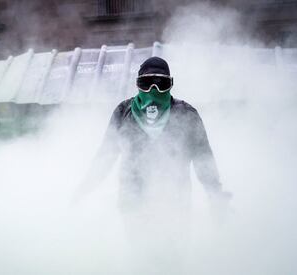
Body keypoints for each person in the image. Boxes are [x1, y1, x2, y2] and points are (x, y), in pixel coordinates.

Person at [75, 57, 231, 272]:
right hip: (133, 201)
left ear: (170, 84)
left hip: (175, 202)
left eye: (161, 83)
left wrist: (216, 195)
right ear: (138, 84)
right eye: (147, 83)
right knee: (143, 259)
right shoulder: (123, 112)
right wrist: (85, 188)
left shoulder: (186, 114)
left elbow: (204, 157)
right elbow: (106, 154)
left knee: (173, 261)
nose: (153, 90)